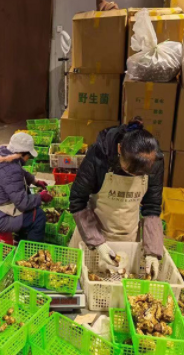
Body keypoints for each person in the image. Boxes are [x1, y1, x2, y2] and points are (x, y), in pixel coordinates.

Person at [69, 118, 164, 279]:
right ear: (119, 149)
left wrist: (153, 251)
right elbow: (78, 201)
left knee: (120, 287)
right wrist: (96, 242)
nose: (135, 177)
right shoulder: (98, 156)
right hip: (92, 231)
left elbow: (152, 207)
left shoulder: (153, 161)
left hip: (127, 235)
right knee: (82, 281)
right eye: (130, 171)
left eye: (141, 174)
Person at [0, 132, 53, 242]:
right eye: (28, 155)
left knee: (27, 194)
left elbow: (20, 172)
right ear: (23, 153)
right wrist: (40, 197)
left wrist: (35, 181)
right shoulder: (11, 170)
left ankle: (21, 236)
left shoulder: (3, 156)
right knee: (39, 216)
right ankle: (31, 253)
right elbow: (23, 203)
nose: (28, 158)